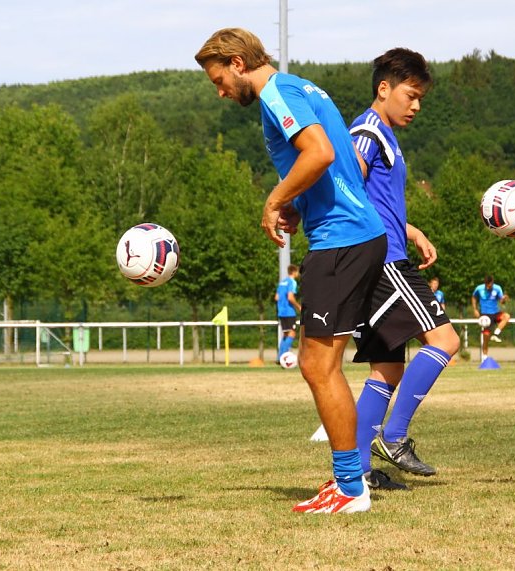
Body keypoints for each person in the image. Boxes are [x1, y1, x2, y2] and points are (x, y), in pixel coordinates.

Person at [195, 28, 387, 514]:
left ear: (238, 63)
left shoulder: (276, 93)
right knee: (321, 364)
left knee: (318, 366)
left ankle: (351, 486)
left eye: (218, 80)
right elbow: (343, 164)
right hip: (352, 234)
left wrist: (275, 199)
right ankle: (348, 479)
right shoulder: (300, 87)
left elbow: (320, 152)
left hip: (341, 240)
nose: (220, 92)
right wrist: (301, 205)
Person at [347, 48, 460, 490]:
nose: (416, 106)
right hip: (385, 262)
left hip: (381, 255)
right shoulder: (368, 132)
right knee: (445, 340)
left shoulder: (385, 136)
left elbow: (373, 200)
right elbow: (347, 185)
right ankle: (394, 437)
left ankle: (358, 472)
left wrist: (411, 229)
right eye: (410, 95)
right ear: (384, 88)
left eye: (420, 99)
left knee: (387, 369)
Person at [471, 275, 511, 360]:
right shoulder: (479, 288)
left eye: (489, 285)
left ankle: (496, 334)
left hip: (495, 313)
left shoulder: (497, 288)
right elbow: (474, 297)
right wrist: (475, 309)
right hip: (485, 315)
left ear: (492, 283)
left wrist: (504, 299)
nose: (488, 287)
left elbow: (501, 301)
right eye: (487, 285)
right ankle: (484, 358)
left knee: (506, 316)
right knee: (486, 336)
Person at [275, 264, 301, 361]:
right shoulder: (292, 282)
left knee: (286, 334)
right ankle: (283, 358)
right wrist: (299, 307)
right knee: (292, 334)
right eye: (297, 272)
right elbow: (290, 297)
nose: (298, 274)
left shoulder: (282, 282)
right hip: (289, 312)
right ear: (294, 272)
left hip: (281, 312)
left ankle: (279, 358)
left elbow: (276, 297)